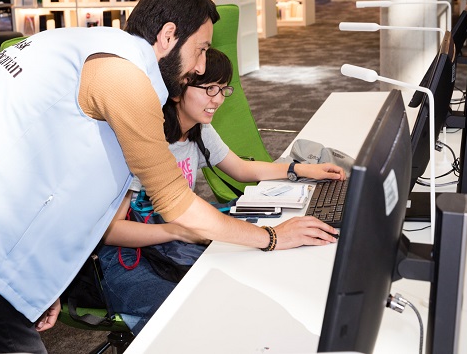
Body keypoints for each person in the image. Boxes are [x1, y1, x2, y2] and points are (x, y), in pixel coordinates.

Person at [0, 0, 339, 353]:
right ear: (168, 36)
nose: (200, 66)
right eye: (199, 50)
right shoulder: (125, 78)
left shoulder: (83, 47)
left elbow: (47, 171)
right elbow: (177, 205)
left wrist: (43, 283)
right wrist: (273, 236)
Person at [97, 48, 346, 335]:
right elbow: (111, 231)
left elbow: (241, 169)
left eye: (222, 90)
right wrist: (177, 232)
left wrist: (300, 170)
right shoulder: (146, 142)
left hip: (171, 241)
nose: (217, 99)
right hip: (125, 258)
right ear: (178, 91)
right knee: (198, 317)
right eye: (209, 89)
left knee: (249, 280)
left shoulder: (198, 130)